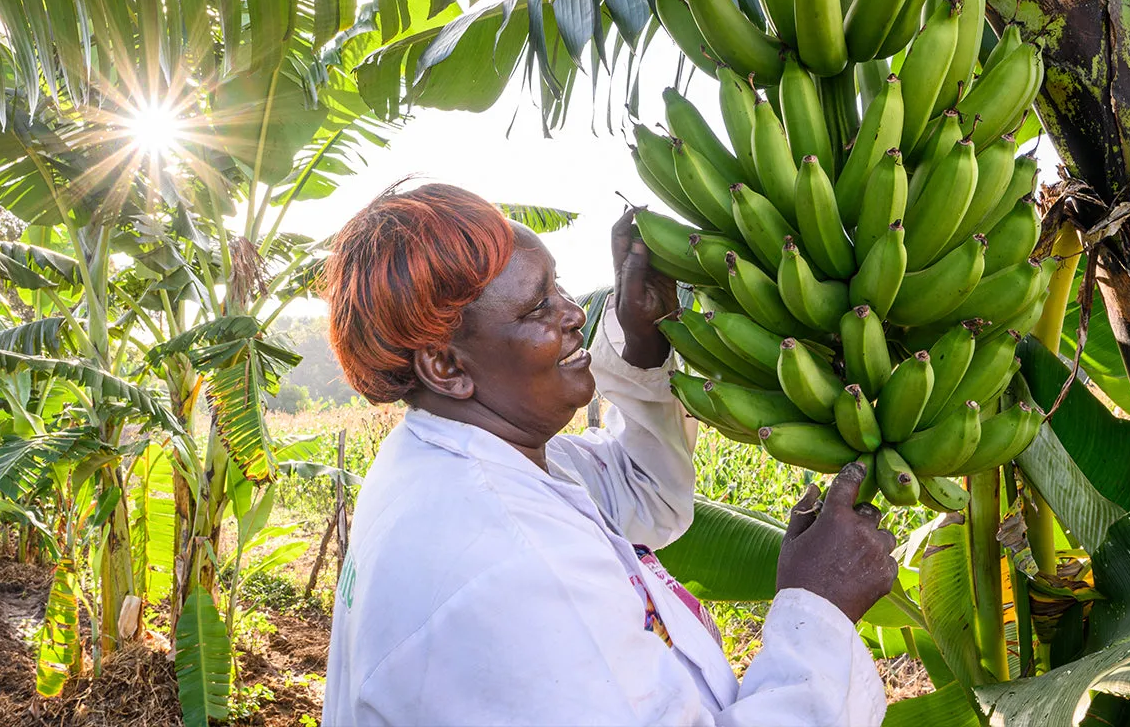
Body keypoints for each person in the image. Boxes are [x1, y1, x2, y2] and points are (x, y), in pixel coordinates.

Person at [321, 182, 898, 726]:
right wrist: (819, 611)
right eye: (535, 307)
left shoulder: (471, 461)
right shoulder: (506, 565)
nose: (573, 312)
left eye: (559, 288)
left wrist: (642, 346)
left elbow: (647, 494)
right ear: (446, 368)